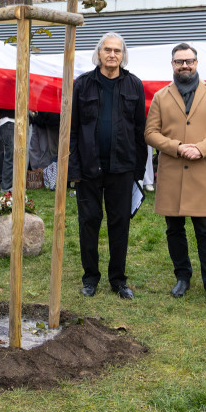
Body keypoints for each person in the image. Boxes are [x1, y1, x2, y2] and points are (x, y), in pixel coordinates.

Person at [145, 42, 206, 309]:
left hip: (199, 171)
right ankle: (182, 277)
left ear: (197, 63)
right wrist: (178, 147)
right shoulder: (161, 96)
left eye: (189, 61)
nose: (185, 65)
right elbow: (150, 133)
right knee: (174, 229)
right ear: (172, 64)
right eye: (179, 61)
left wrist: (202, 148)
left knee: (205, 230)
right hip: (172, 171)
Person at [69, 33, 147, 300]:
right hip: (89, 169)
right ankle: (90, 277)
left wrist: (138, 171)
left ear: (123, 55)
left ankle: (118, 279)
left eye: (117, 50)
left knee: (120, 224)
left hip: (122, 168)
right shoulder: (82, 85)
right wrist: (74, 170)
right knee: (88, 223)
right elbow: (72, 130)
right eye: (107, 50)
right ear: (98, 53)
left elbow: (140, 130)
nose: (112, 54)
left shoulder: (134, 85)